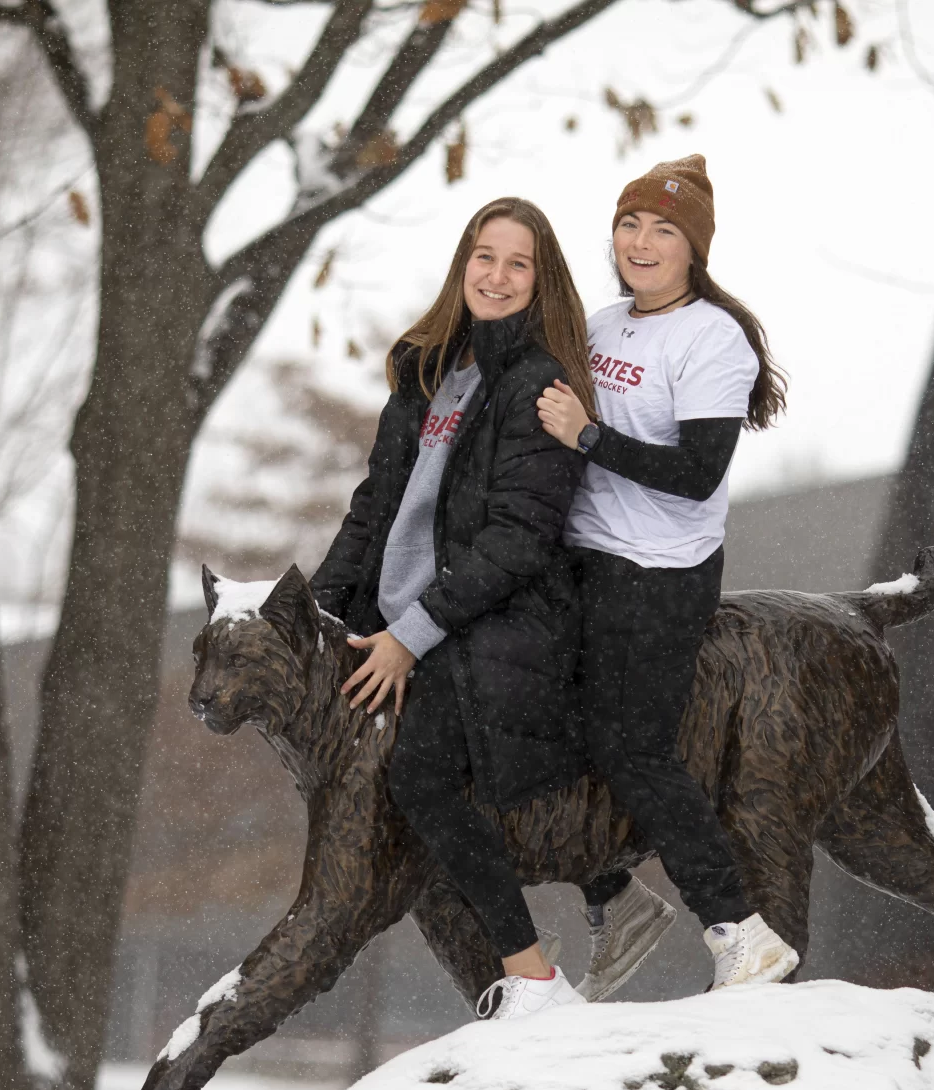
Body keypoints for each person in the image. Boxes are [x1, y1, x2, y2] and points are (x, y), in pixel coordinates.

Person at [311, 198, 597, 1021]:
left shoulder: (538, 382)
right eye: (484, 255)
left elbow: (519, 537)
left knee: (419, 776)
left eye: (518, 264)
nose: (497, 276)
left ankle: (532, 975)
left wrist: (411, 634)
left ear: (540, 283)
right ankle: (502, 987)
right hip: (400, 620)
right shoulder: (427, 370)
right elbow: (374, 508)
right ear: (461, 263)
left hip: (488, 627)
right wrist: (320, 615)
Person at [536, 155, 799, 999]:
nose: (641, 242)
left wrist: (587, 438)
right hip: (577, 559)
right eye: (629, 224)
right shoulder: (604, 323)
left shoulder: (710, 338)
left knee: (631, 747)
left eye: (663, 230)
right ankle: (618, 899)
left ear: (694, 250)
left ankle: (741, 932)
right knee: (516, 716)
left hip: (657, 572)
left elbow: (695, 471)